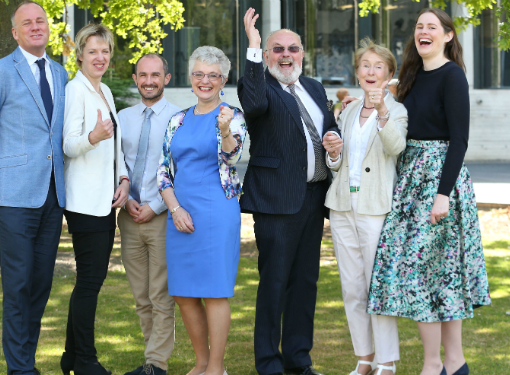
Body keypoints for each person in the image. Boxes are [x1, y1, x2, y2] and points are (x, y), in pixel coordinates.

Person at [367, 8, 491, 375]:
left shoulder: (453, 77)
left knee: (432, 273)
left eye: (432, 27)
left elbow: (460, 140)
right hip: (410, 179)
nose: (423, 32)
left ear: (448, 36)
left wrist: (443, 194)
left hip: (439, 182)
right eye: (419, 26)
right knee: (432, 275)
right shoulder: (411, 75)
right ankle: (451, 363)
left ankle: (436, 364)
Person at [238, 8, 343, 375]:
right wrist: (252, 45)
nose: (286, 55)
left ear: (302, 53)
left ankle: (299, 360)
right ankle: (268, 363)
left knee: (305, 284)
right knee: (274, 284)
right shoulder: (259, 86)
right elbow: (251, 104)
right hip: (276, 203)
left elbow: (329, 133)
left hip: (313, 200)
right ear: (267, 56)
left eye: (293, 49)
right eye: (277, 49)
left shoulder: (314, 87)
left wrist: (334, 143)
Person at [0, 1, 68, 373]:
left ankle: (23, 362)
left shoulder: (59, 73)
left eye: (40, 20)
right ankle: (21, 368)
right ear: (15, 32)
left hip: (52, 195)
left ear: (48, 27)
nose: (35, 26)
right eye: (27, 23)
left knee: (40, 284)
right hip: (11, 196)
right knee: (19, 283)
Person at [157, 45, 247, 375]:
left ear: (223, 80)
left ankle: (217, 368)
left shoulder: (232, 115)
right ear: (190, 78)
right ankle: (201, 361)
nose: (204, 81)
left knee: (215, 291)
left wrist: (223, 130)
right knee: (183, 292)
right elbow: (163, 170)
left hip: (216, 211)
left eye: (212, 75)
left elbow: (232, 157)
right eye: (199, 74)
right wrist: (175, 209)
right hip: (180, 211)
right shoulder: (177, 119)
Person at [323, 38, 407, 375]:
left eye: (378, 67)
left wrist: (384, 112)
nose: (371, 72)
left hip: (375, 207)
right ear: (357, 72)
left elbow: (396, 147)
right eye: (365, 66)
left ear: (388, 75)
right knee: (352, 286)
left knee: (377, 285)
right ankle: (364, 358)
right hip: (343, 205)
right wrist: (333, 152)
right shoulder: (349, 110)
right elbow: (339, 163)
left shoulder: (397, 110)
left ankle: (387, 362)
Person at [61, 23, 129, 375]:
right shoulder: (76, 90)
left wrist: (123, 178)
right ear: (81, 55)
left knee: (89, 280)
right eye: (93, 52)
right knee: (90, 281)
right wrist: (93, 136)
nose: (100, 57)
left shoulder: (102, 91)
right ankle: (86, 360)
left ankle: (72, 357)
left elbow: (114, 148)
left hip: (104, 201)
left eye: (105, 51)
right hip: (84, 203)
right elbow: (69, 145)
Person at [118, 53, 181, 375]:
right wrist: (126, 198)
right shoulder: (123, 117)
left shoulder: (179, 118)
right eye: (143, 75)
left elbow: (179, 169)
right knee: (141, 296)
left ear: (166, 79)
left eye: (155, 75)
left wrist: (155, 206)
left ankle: (157, 364)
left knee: (160, 294)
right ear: (135, 78)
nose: (149, 81)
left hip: (161, 217)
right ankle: (150, 361)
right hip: (128, 218)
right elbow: (118, 164)